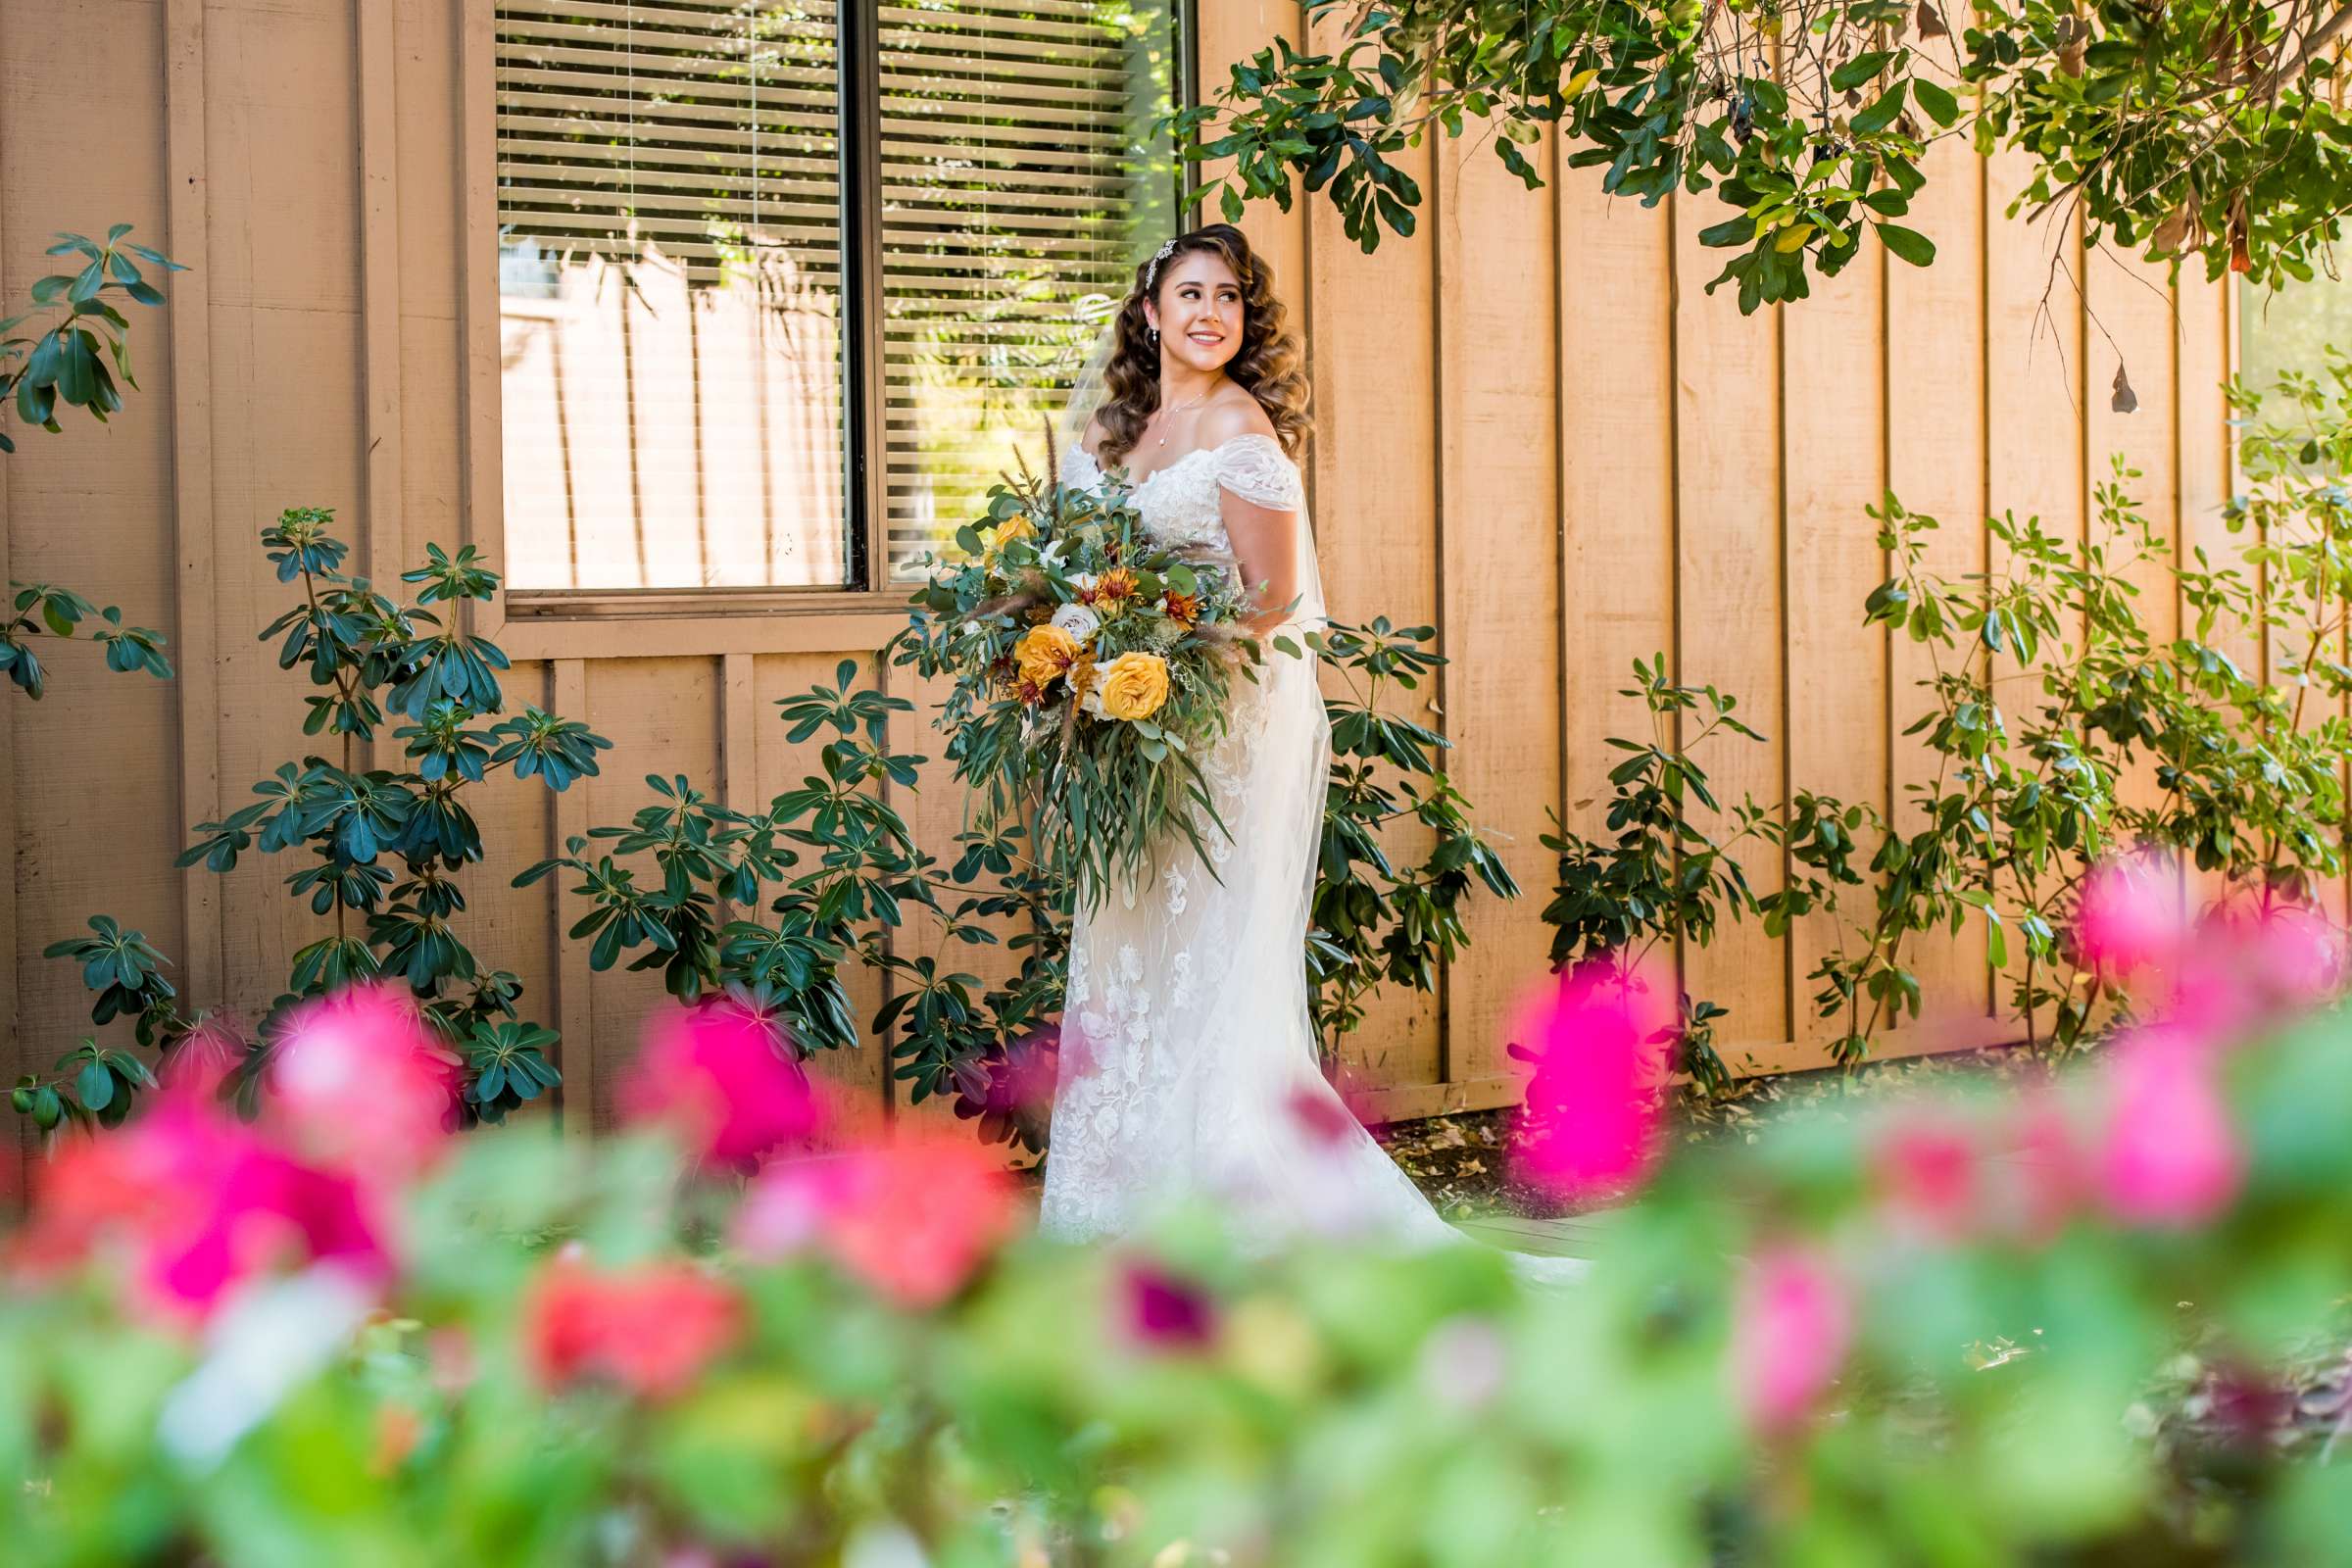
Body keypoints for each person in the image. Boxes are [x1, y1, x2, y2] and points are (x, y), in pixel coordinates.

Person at [1037, 224, 1585, 1286]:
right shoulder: (1121, 433)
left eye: (1229, 298)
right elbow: (1085, 570)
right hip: (1131, 735)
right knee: (1129, 954)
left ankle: (1230, 1213)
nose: (1208, 314)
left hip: (1218, 735)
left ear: (1246, 320)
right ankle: (1122, 1208)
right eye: (1189, 293)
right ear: (1149, 311)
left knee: (1209, 966)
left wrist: (1159, 655)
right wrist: (1079, 662)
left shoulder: (1244, 432)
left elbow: (1273, 604)